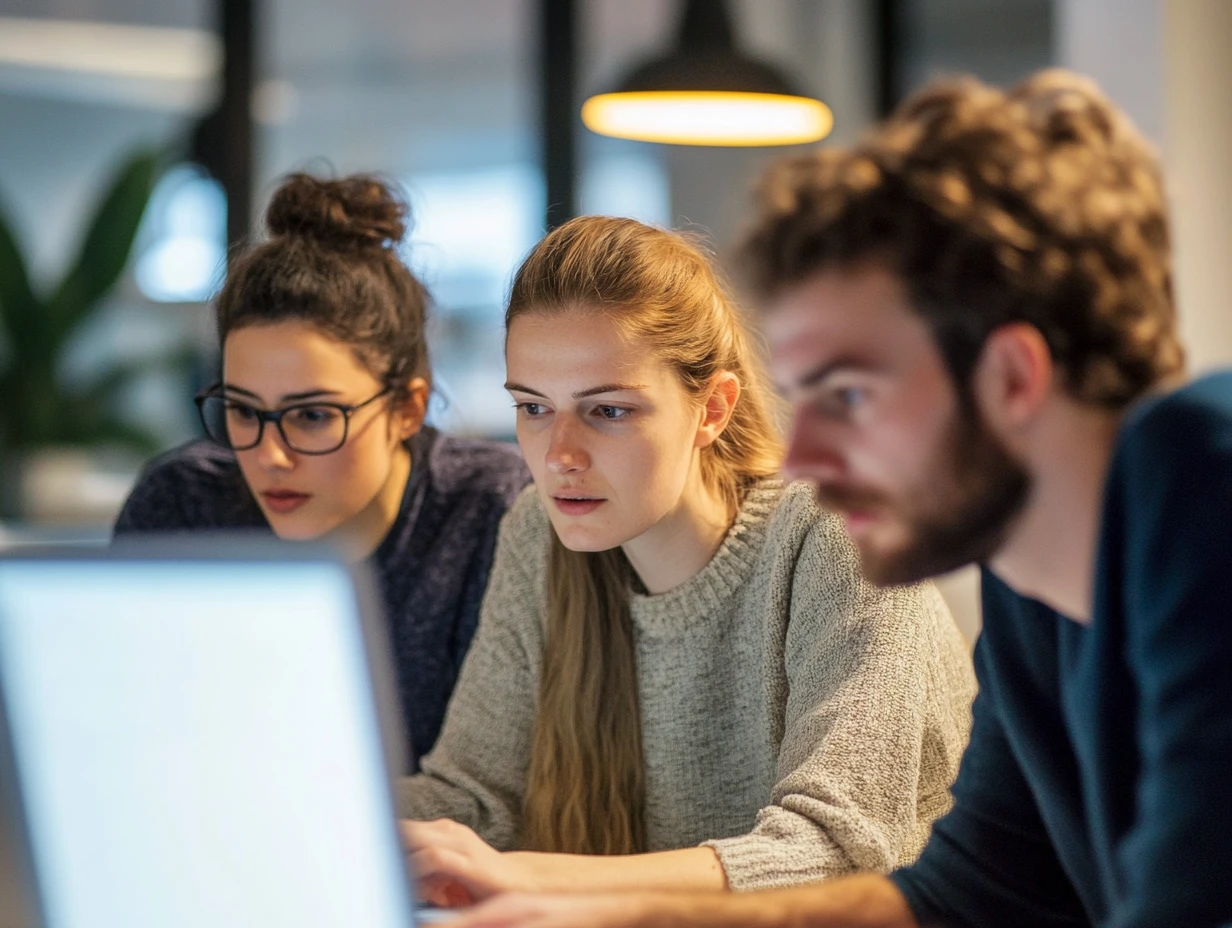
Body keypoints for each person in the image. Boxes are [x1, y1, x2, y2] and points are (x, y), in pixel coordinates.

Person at [439, 69, 1232, 928]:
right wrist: (617, 914)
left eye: (849, 395)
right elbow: (963, 897)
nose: (805, 457)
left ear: (1010, 377)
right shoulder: (1031, 587)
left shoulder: (1196, 472)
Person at [397, 215, 975, 902]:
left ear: (713, 409)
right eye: (533, 407)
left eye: (607, 411)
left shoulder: (838, 535)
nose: (558, 457)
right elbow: (473, 799)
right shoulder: (539, 535)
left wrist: (532, 877)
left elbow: (840, 849)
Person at [113, 173, 530, 768]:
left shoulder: (493, 512)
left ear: (407, 408)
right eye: (242, 410)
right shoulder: (182, 506)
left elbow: (509, 791)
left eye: (311, 415)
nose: (269, 454)